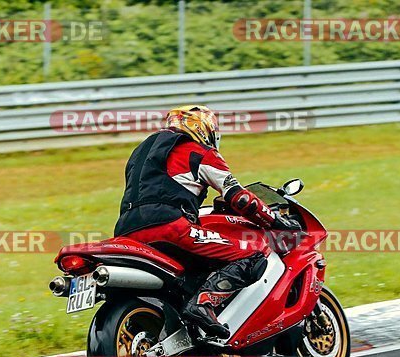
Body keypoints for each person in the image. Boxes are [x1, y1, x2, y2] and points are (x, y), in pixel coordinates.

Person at [114, 105, 299, 339]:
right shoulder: (198, 152)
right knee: (254, 255)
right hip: (170, 227)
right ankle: (203, 303)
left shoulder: (140, 154)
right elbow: (238, 197)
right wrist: (274, 219)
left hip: (126, 232)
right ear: (204, 129)